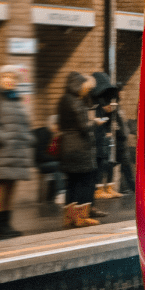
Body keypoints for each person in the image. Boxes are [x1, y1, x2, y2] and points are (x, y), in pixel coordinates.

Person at [0, 64, 33, 238]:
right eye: (5, 77)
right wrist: (2, 138)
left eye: (12, 77)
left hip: (16, 153)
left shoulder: (16, 99)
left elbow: (24, 124)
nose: (8, 80)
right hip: (0, 153)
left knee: (10, 189)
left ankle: (6, 225)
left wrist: (28, 138)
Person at [57, 72, 100, 228]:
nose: (85, 89)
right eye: (84, 86)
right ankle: (81, 217)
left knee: (72, 183)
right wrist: (94, 123)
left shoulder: (63, 100)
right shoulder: (76, 102)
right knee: (85, 182)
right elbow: (83, 127)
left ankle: (69, 217)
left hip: (67, 148)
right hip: (80, 148)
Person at [90, 72, 121, 201]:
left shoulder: (104, 100)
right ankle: (98, 189)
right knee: (100, 161)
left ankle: (108, 187)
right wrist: (104, 112)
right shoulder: (94, 101)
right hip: (97, 136)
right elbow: (94, 118)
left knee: (108, 161)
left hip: (104, 134)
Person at [34, 115, 61, 207]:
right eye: (57, 125)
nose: (58, 128)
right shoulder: (44, 133)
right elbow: (40, 155)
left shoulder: (53, 134)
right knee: (58, 165)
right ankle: (60, 193)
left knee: (61, 165)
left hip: (49, 162)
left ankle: (51, 197)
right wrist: (56, 158)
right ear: (52, 124)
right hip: (41, 164)